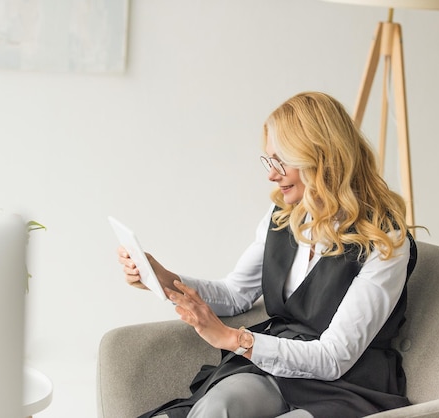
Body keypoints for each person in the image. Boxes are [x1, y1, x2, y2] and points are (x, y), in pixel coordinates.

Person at [117, 91, 417, 418]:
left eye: (281, 161)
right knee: (218, 407)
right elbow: (235, 295)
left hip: (347, 383)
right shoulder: (283, 216)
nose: (271, 174)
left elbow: (334, 358)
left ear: (322, 156)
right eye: (269, 160)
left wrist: (237, 340)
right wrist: (162, 279)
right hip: (277, 368)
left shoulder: (386, 240)